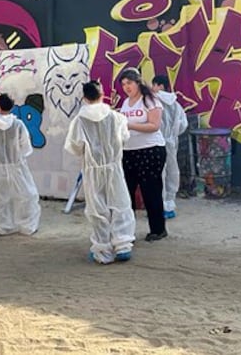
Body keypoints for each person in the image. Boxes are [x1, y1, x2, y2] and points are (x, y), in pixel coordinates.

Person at [65, 80, 135, 264]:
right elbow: (124, 139)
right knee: (120, 203)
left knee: (97, 208)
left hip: (92, 169)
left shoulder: (79, 121)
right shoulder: (116, 117)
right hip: (113, 166)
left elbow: (75, 146)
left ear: (84, 97)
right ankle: (123, 245)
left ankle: (103, 249)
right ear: (101, 93)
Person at [0, 93, 41, 236]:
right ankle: (27, 226)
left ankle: (2, 227)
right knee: (26, 196)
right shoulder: (18, 124)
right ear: (12, 107)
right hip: (17, 166)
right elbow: (25, 147)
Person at [119, 68, 168, 242]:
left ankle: (158, 228)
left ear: (138, 83)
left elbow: (154, 125)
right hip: (129, 151)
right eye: (123, 84)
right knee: (127, 191)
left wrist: (129, 125)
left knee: (151, 190)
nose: (126, 87)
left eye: (129, 83)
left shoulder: (150, 100)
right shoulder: (126, 103)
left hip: (150, 150)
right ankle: (126, 230)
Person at [151, 74, 188, 219]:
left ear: (159, 85)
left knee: (159, 174)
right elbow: (183, 125)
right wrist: (173, 135)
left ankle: (159, 206)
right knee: (172, 172)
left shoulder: (153, 101)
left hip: (155, 141)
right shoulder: (176, 104)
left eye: (154, 85)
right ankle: (169, 205)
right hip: (171, 142)